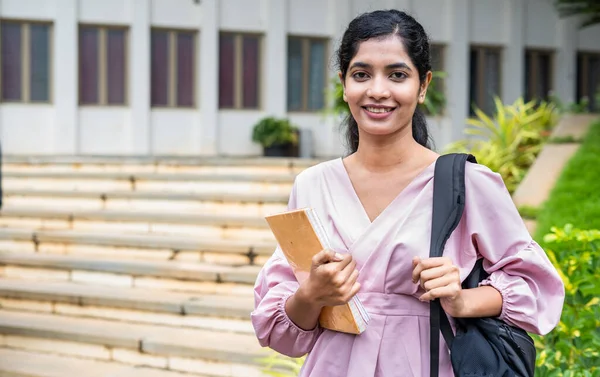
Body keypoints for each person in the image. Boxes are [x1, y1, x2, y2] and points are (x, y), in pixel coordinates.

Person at [251, 9, 565, 377]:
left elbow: (536, 286)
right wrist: (312, 294)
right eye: (361, 74)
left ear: (423, 85)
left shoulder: (467, 182)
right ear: (344, 83)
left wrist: (461, 299)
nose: (378, 90)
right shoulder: (312, 185)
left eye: (397, 75)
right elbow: (281, 332)